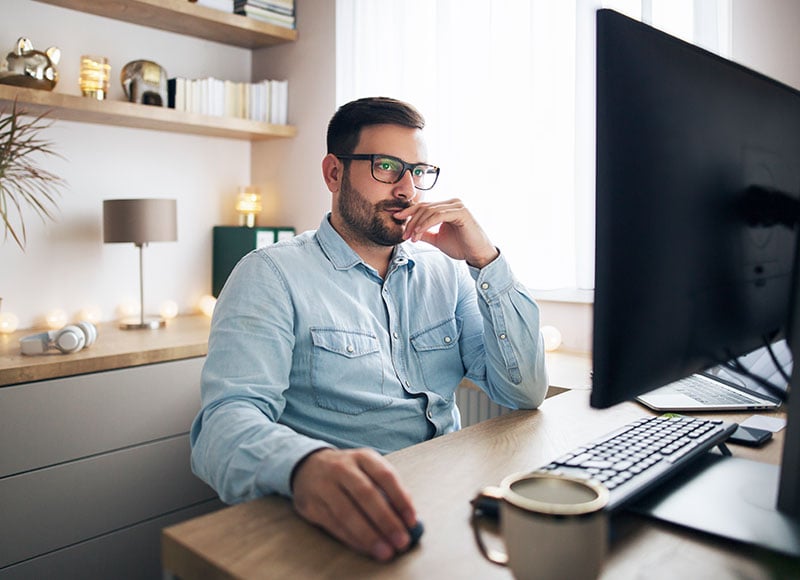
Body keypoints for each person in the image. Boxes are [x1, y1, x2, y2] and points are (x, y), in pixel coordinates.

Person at [190, 96, 549, 562]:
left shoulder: (447, 270)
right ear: (333, 173)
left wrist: (486, 260)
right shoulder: (269, 275)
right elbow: (221, 427)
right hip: (342, 523)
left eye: (418, 172)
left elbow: (524, 392)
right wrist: (304, 466)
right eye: (386, 167)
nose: (407, 189)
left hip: (449, 501)